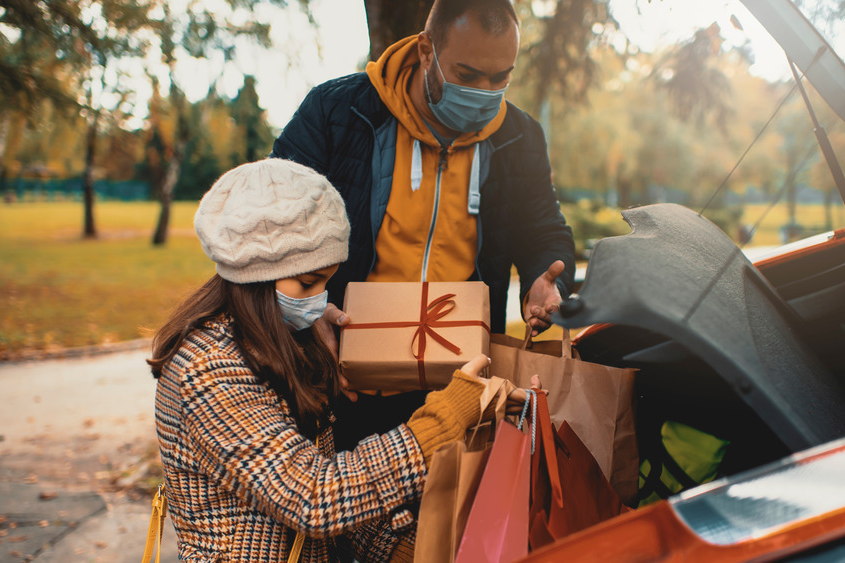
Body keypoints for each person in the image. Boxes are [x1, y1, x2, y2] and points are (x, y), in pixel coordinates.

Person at [147, 159, 528, 562]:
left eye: (327, 281)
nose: (319, 300)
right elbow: (313, 496)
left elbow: (330, 482)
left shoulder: (283, 340)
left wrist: (400, 548)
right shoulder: (208, 367)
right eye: (308, 283)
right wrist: (445, 419)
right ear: (254, 276)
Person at [271, 0, 575, 450]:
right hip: (342, 376)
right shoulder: (337, 111)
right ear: (426, 50)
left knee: (441, 518)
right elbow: (272, 222)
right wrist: (309, 308)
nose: (485, 92)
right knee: (341, 510)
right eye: (468, 76)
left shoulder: (520, 136)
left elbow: (542, 228)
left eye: (500, 78)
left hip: (456, 391)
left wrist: (544, 278)